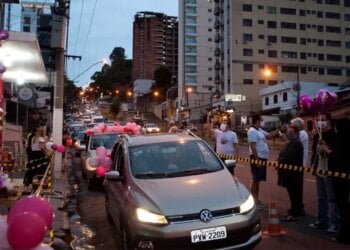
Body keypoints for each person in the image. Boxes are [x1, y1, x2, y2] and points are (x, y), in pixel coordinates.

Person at [309, 113, 339, 233]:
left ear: (329, 122)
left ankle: (334, 223)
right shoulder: (318, 135)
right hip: (319, 170)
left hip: (329, 170)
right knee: (321, 197)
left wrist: (324, 143)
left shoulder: (334, 135)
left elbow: (333, 153)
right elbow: (315, 151)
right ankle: (322, 220)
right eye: (319, 120)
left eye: (323, 120)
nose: (320, 122)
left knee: (332, 198)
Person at [247, 113, 279, 209]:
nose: (262, 121)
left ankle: (256, 199)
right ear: (257, 121)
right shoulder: (252, 131)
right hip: (257, 158)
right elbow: (253, 146)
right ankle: (254, 201)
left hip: (262, 158)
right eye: (261, 120)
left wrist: (278, 131)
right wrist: (257, 160)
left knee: (258, 180)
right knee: (255, 179)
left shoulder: (259, 130)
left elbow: (268, 135)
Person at [277, 123, 304, 222]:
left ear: (296, 134)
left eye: (291, 132)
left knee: (294, 193)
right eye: (288, 132)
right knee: (293, 193)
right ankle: (296, 209)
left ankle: (294, 213)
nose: (288, 134)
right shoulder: (291, 143)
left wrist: (279, 161)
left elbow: (287, 156)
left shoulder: (296, 143)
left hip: (293, 174)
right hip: (289, 173)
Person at [330, 116, 350, 244]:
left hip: (341, 179)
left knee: (343, 206)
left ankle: (344, 234)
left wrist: (327, 151)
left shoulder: (341, 141)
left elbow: (336, 157)